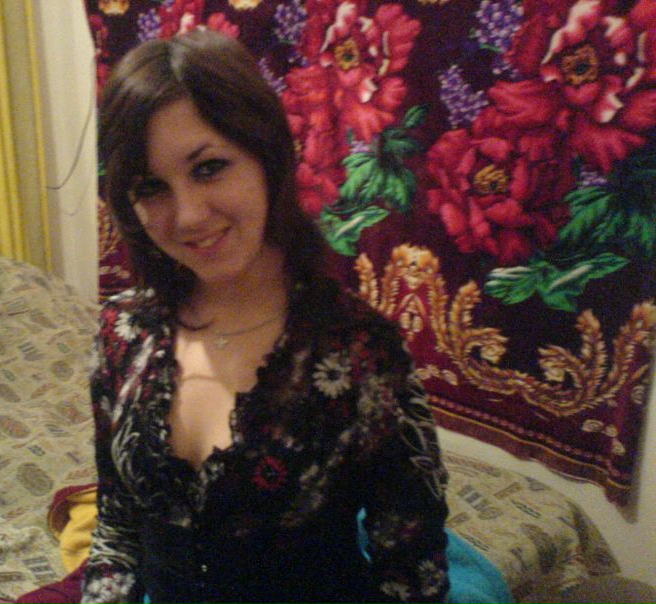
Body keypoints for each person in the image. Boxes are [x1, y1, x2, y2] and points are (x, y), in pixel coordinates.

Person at [83, 29, 449, 604]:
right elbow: (118, 525)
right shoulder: (120, 332)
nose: (188, 216)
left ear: (268, 155)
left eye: (208, 168)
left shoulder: (360, 353)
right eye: (152, 187)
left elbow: (411, 573)